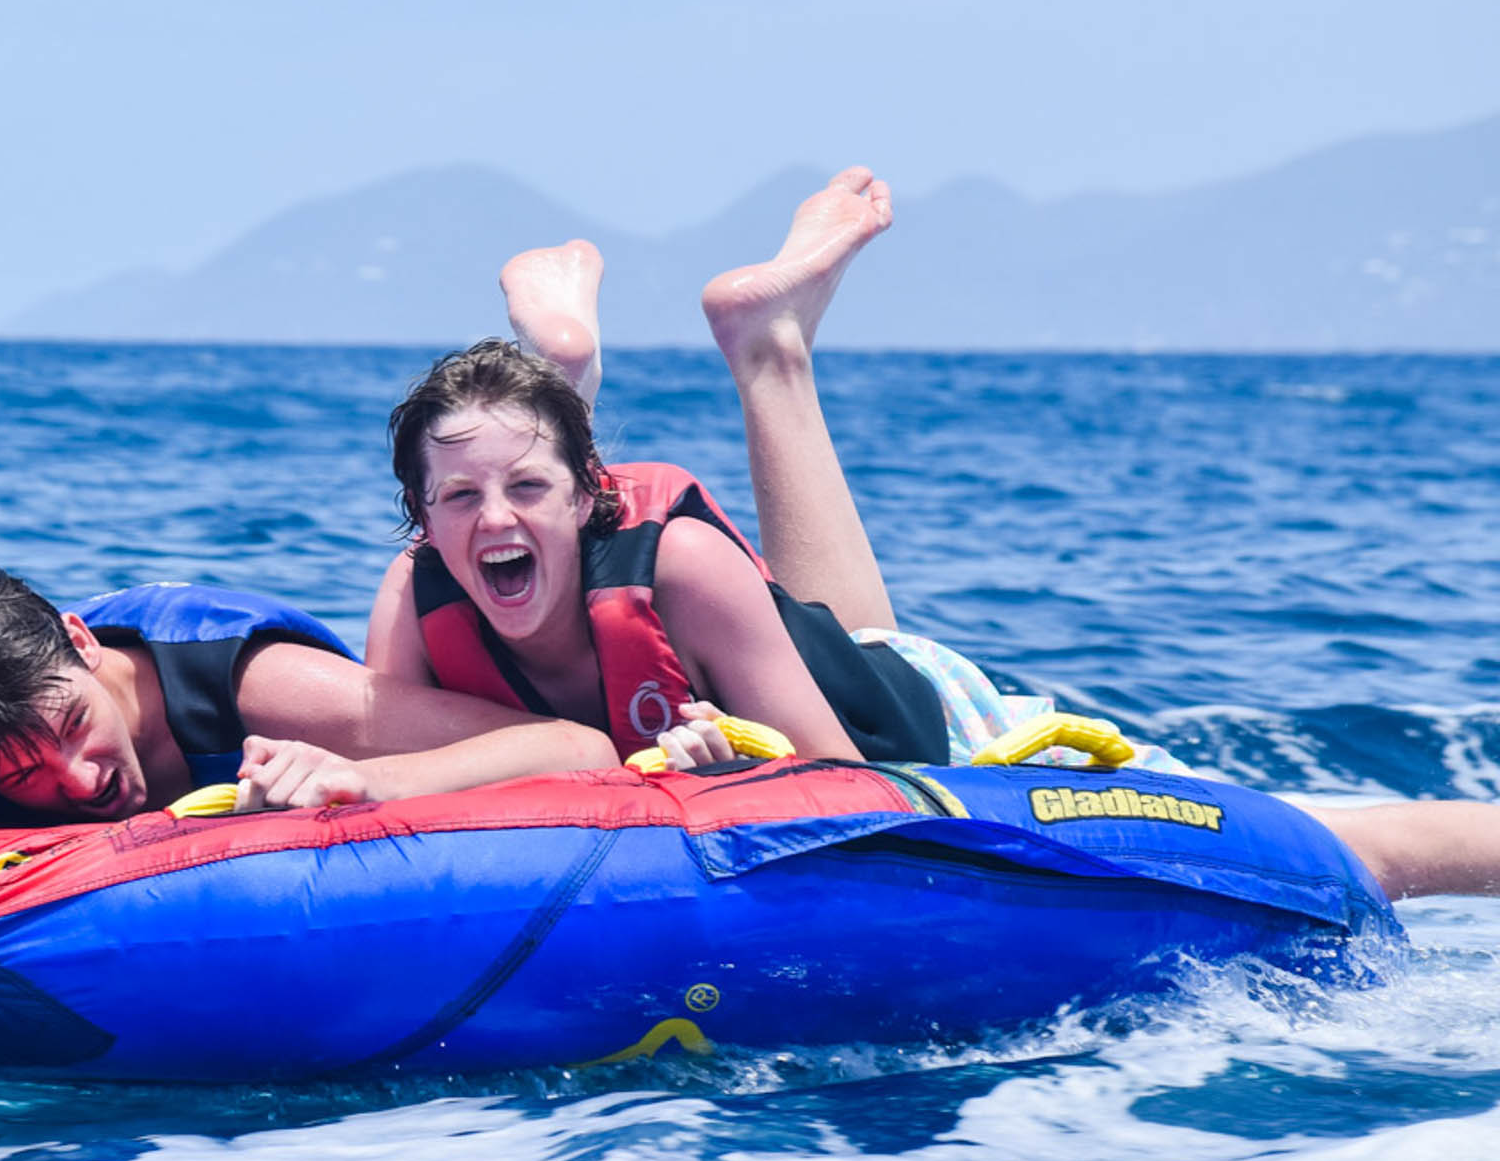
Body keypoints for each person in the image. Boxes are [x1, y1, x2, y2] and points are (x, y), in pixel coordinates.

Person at [367, 168, 1500, 900]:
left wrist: (728, 762)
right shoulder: (415, 604)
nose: (490, 519)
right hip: (772, 646)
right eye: (457, 498)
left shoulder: (684, 569)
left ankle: (724, 357)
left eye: (524, 487)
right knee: (833, 622)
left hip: (916, 723)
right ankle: (739, 350)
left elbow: (848, 785)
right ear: (420, 517)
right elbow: (413, 774)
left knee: (1319, 851)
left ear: (586, 493)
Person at [0, 560, 616, 863]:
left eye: (71, 729)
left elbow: (580, 745)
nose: (78, 783)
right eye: (23, 779)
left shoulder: (258, 686)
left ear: (81, 640)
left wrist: (363, 781)